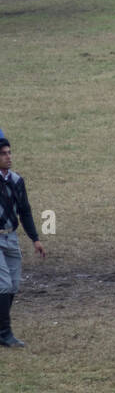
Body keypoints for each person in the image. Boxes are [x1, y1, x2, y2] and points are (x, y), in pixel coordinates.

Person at [0, 135, 47, 348]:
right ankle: (4, 333)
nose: (8, 157)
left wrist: (35, 238)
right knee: (4, 284)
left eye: (9, 152)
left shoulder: (17, 181)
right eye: (3, 154)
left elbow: (25, 212)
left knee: (14, 285)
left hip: (11, 237)